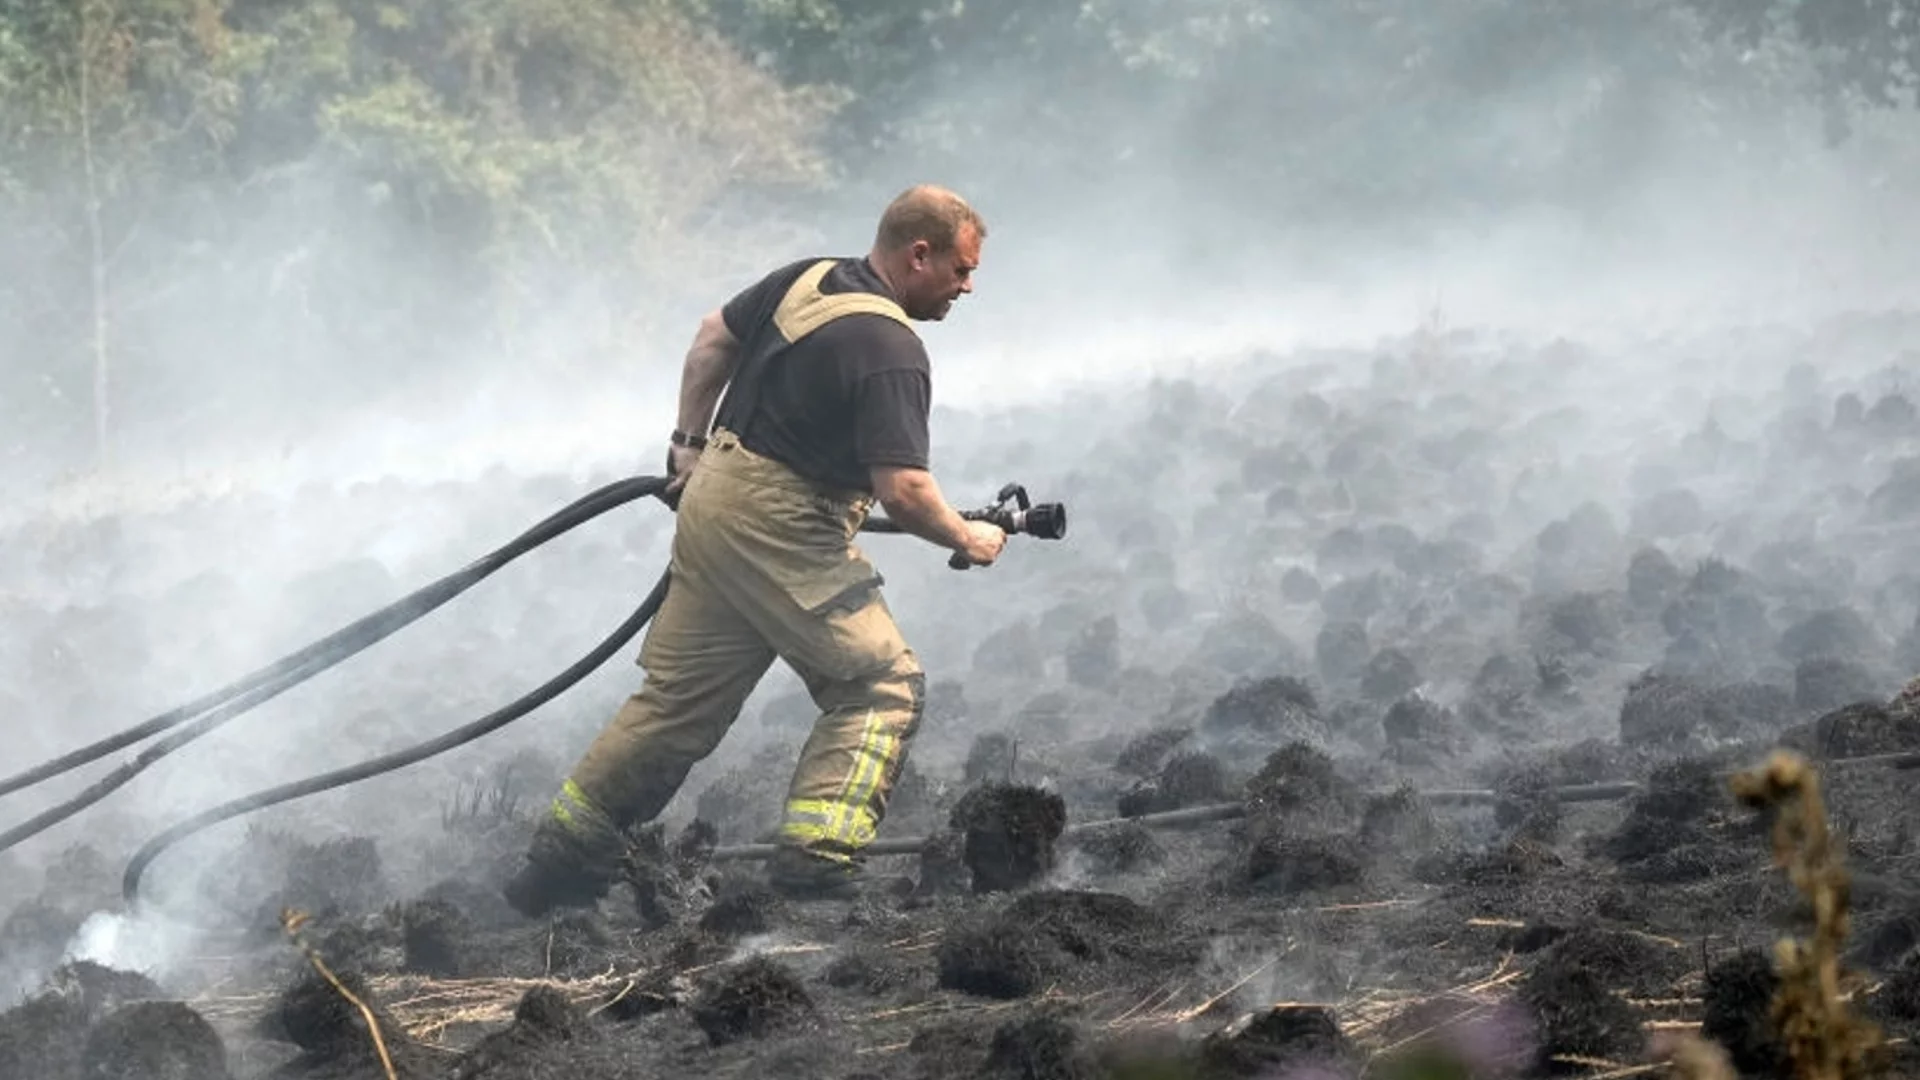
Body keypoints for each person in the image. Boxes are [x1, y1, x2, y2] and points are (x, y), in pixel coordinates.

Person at [504, 184, 1006, 915]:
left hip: (713, 506)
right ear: (918, 254)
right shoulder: (892, 348)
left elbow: (713, 335)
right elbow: (902, 489)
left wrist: (686, 446)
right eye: (961, 270)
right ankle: (817, 863)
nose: (968, 287)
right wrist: (969, 535)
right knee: (879, 684)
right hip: (781, 528)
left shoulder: (807, 279)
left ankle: (559, 865)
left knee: (677, 703)